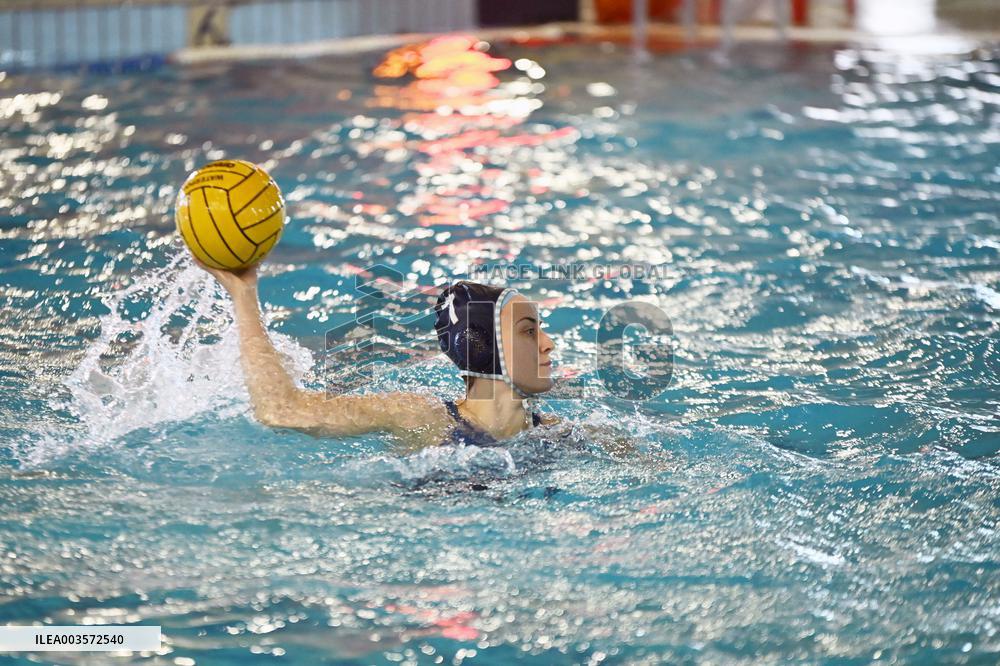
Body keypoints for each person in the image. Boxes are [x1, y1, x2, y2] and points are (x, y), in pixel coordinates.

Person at [198, 262, 560, 451]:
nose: (548, 344)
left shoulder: (556, 435)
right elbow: (281, 411)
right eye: (529, 331)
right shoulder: (422, 416)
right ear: (481, 344)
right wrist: (244, 294)